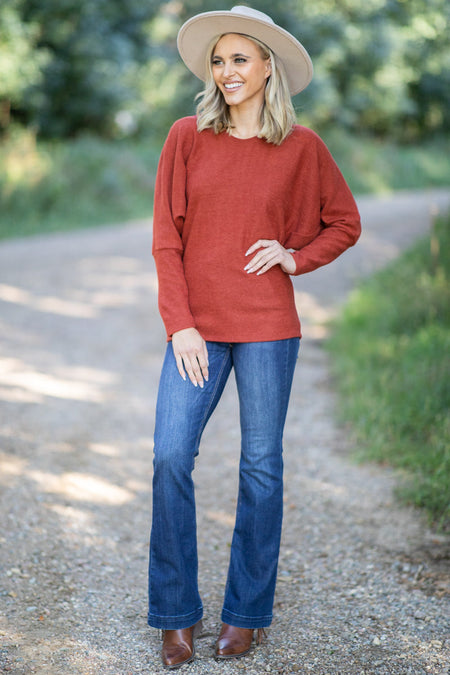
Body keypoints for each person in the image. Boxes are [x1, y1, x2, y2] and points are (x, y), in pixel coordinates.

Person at [148, 5, 361, 669]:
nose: (228, 70)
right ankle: (177, 614)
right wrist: (180, 322)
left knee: (261, 470)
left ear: (269, 67)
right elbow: (165, 241)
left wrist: (295, 258)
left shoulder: (303, 149)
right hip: (198, 329)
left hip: (270, 326)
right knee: (169, 455)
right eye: (219, 60)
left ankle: (247, 614)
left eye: (241, 58)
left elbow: (344, 222)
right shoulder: (186, 136)